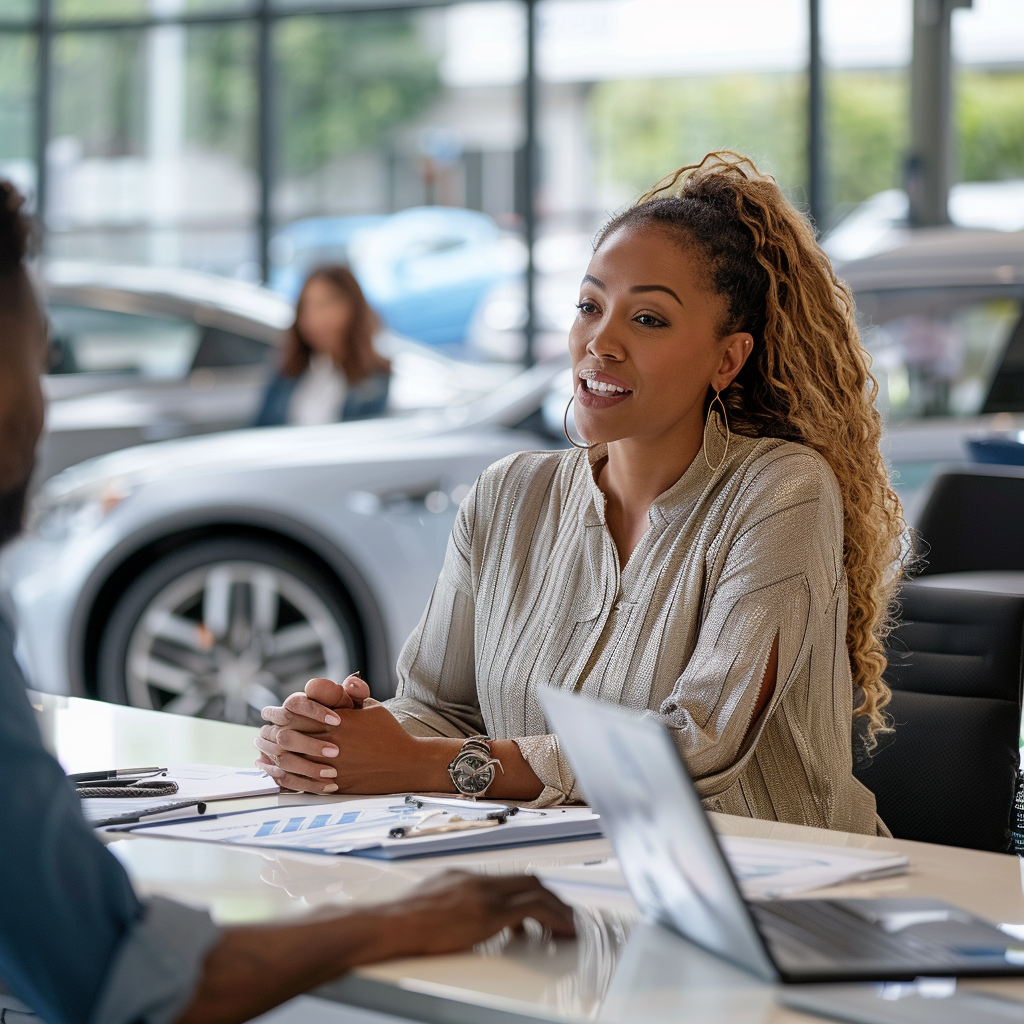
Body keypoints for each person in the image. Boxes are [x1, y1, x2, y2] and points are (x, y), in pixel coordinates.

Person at [0, 180, 574, 1024]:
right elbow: (126, 984)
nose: (43, 407)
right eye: (36, 362)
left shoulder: (771, 498)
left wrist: (368, 738)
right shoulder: (510, 488)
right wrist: (409, 912)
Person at [255, 152, 906, 837]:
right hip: (569, 883)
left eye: (648, 319)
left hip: (788, 899)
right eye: (590, 306)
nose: (601, 341)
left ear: (727, 358)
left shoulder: (780, 492)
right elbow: (440, 712)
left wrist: (428, 767)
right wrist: (337, 738)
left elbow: (694, 749)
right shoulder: (507, 496)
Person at [255, 265, 391, 426]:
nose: (316, 318)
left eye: (326, 304)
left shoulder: (374, 380)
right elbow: (260, 430)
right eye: (308, 306)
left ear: (353, 308)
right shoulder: (287, 370)